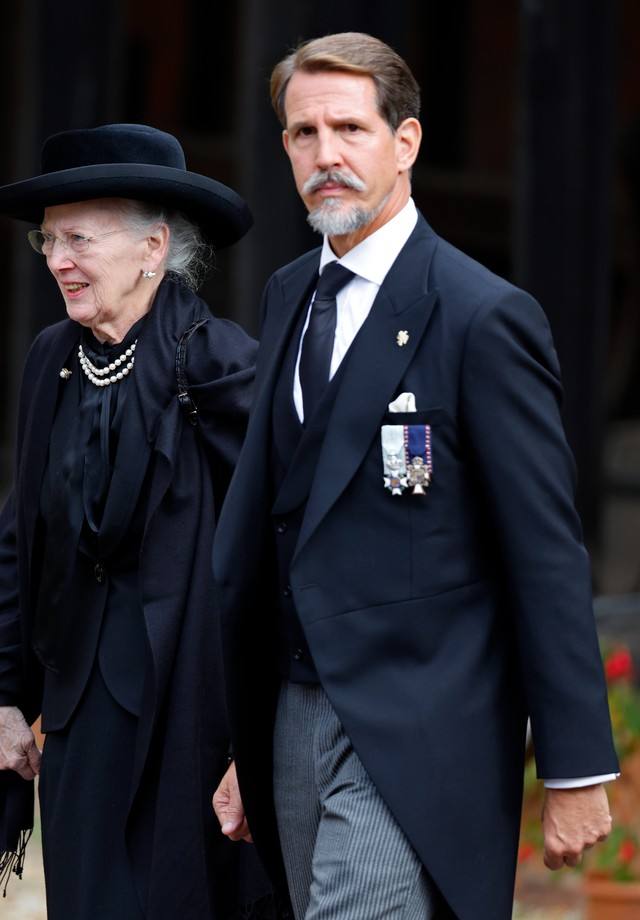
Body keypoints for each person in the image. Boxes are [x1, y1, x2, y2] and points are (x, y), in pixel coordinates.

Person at [212, 32, 619, 920]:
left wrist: (577, 765)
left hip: (420, 726)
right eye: (304, 134)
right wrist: (246, 732)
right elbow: (279, 522)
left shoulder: (484, 317)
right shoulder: (287, 294)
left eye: (351, 130)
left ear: (407, 143)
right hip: (290, 710)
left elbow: (545, 551)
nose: (327, 156)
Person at [0, 123, 280, 920]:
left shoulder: (224, 366)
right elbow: (23, 531)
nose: (58, 260)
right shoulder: (52, 360)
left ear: (154, 248)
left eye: (80, 238)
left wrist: (257, 746)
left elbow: (280, 551)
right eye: (48, 239)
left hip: (192, 718)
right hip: (84, 715)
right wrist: (4, 692)